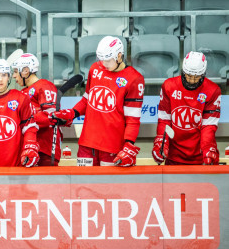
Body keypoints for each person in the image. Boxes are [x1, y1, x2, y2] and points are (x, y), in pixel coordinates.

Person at [56, 36, 145, 166]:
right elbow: (87, 100)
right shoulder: (95, 69)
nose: (104, 64)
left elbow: (133, 119)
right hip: (86, 143)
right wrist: (72, 113)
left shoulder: (134, 79)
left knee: (109, 185)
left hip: (112, 147)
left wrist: (128, 144)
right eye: (101, 59)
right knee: (83, 184)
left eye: (108, 60)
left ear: (119, 56)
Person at [152, 51, 221, 165]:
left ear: (203, 74)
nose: (192, 81)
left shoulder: (212, 90)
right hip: (174, 155)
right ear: (183, 71)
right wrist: (161, 142)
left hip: (200, 156)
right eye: (188, 76)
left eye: (196, 77)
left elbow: (208, 126)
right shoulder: (169, 86)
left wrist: (208, 148)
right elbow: (164, 120)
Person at [12, 53, 63, 166]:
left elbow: (51, 118)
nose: (13, 76)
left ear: (25, 70)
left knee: (45, 183)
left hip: (45, 149)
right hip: (29, 149)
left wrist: (25, 120)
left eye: (15, 71)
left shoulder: (45, 86)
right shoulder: (23, 92)